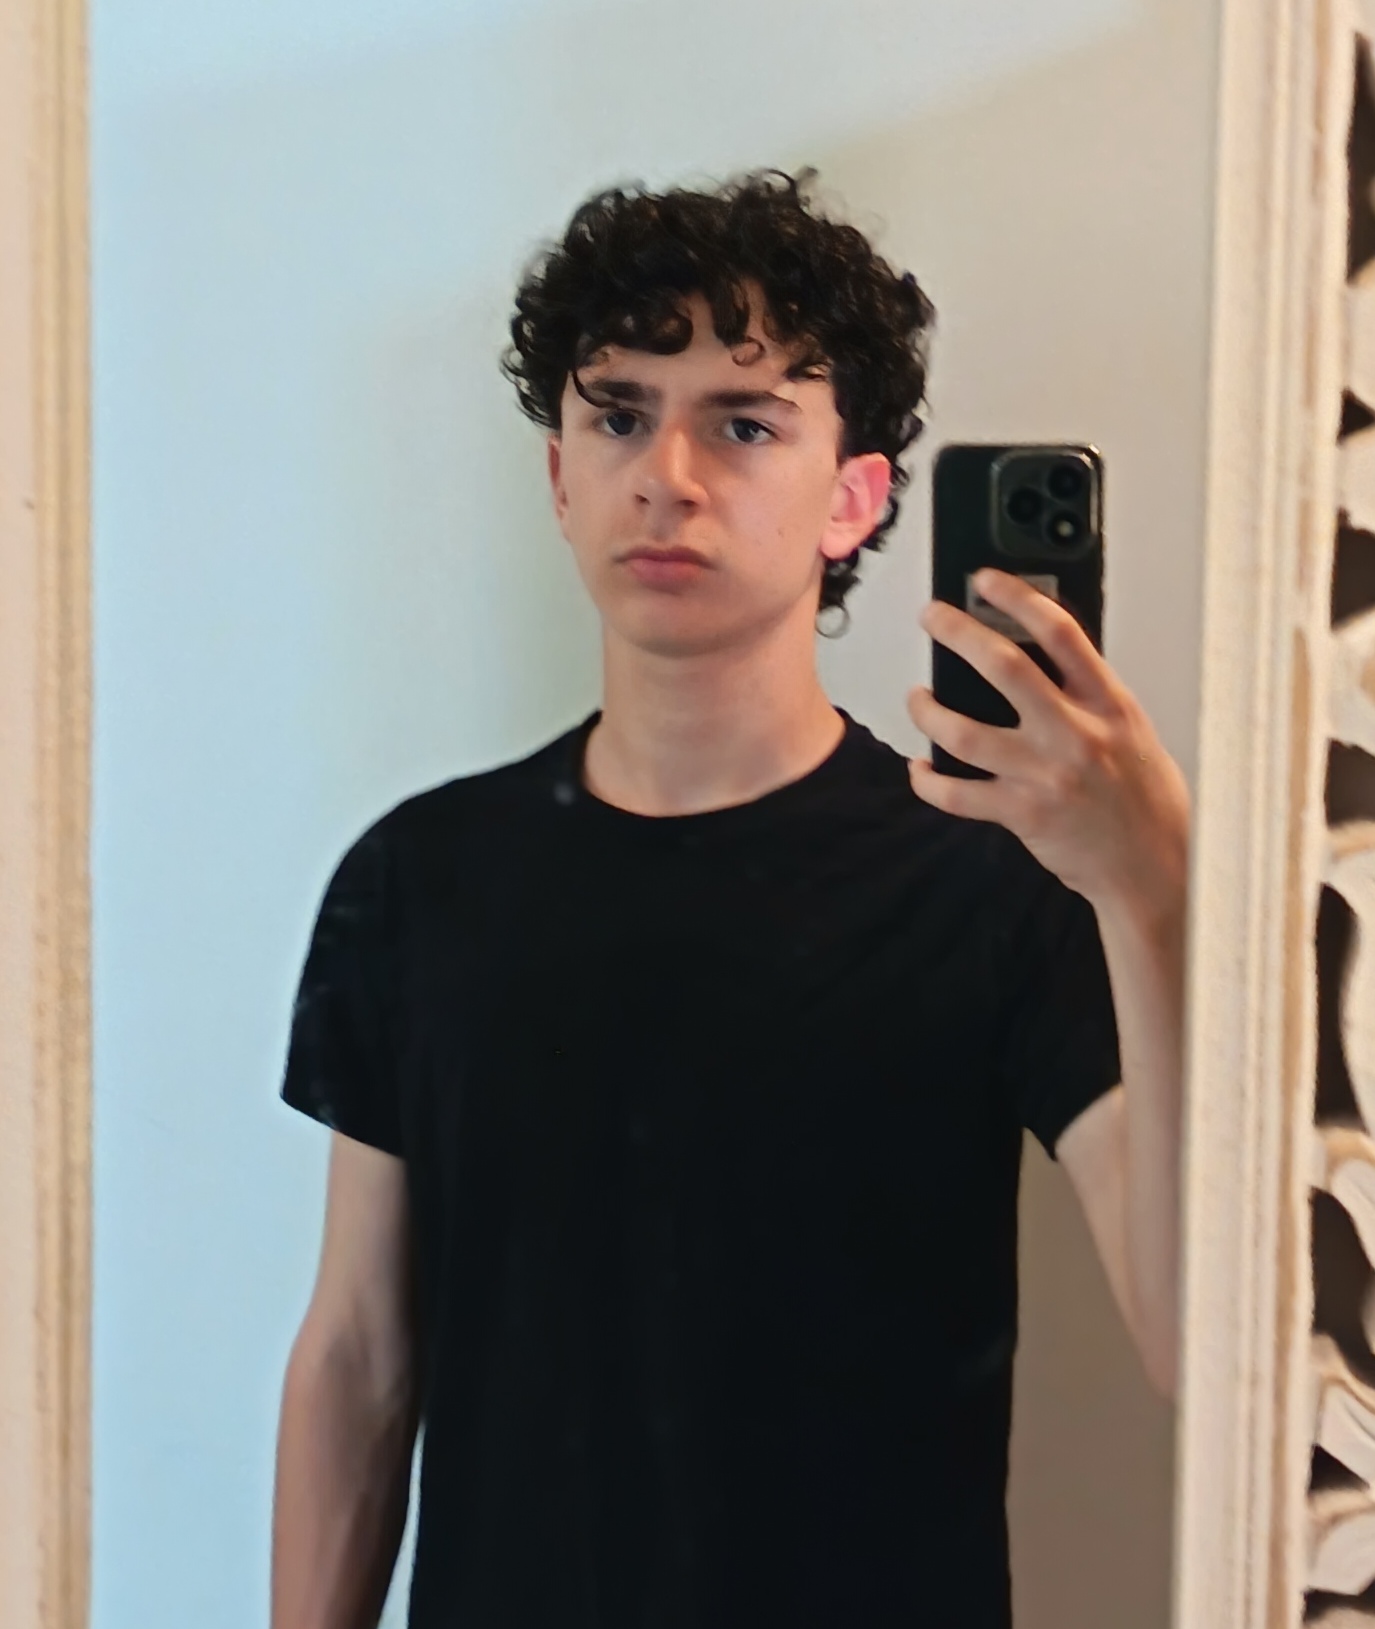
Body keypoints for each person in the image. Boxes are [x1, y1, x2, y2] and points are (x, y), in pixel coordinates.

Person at [269, 167, 1190, 1629]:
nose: (669, 475)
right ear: (560, 477)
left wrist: (1156, 889)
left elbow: (1199, 1344)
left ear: (854, 499)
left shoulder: (994, 872)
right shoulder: (419, 882)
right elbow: (358, 1355)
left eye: (744, 424)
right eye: (619, 415)